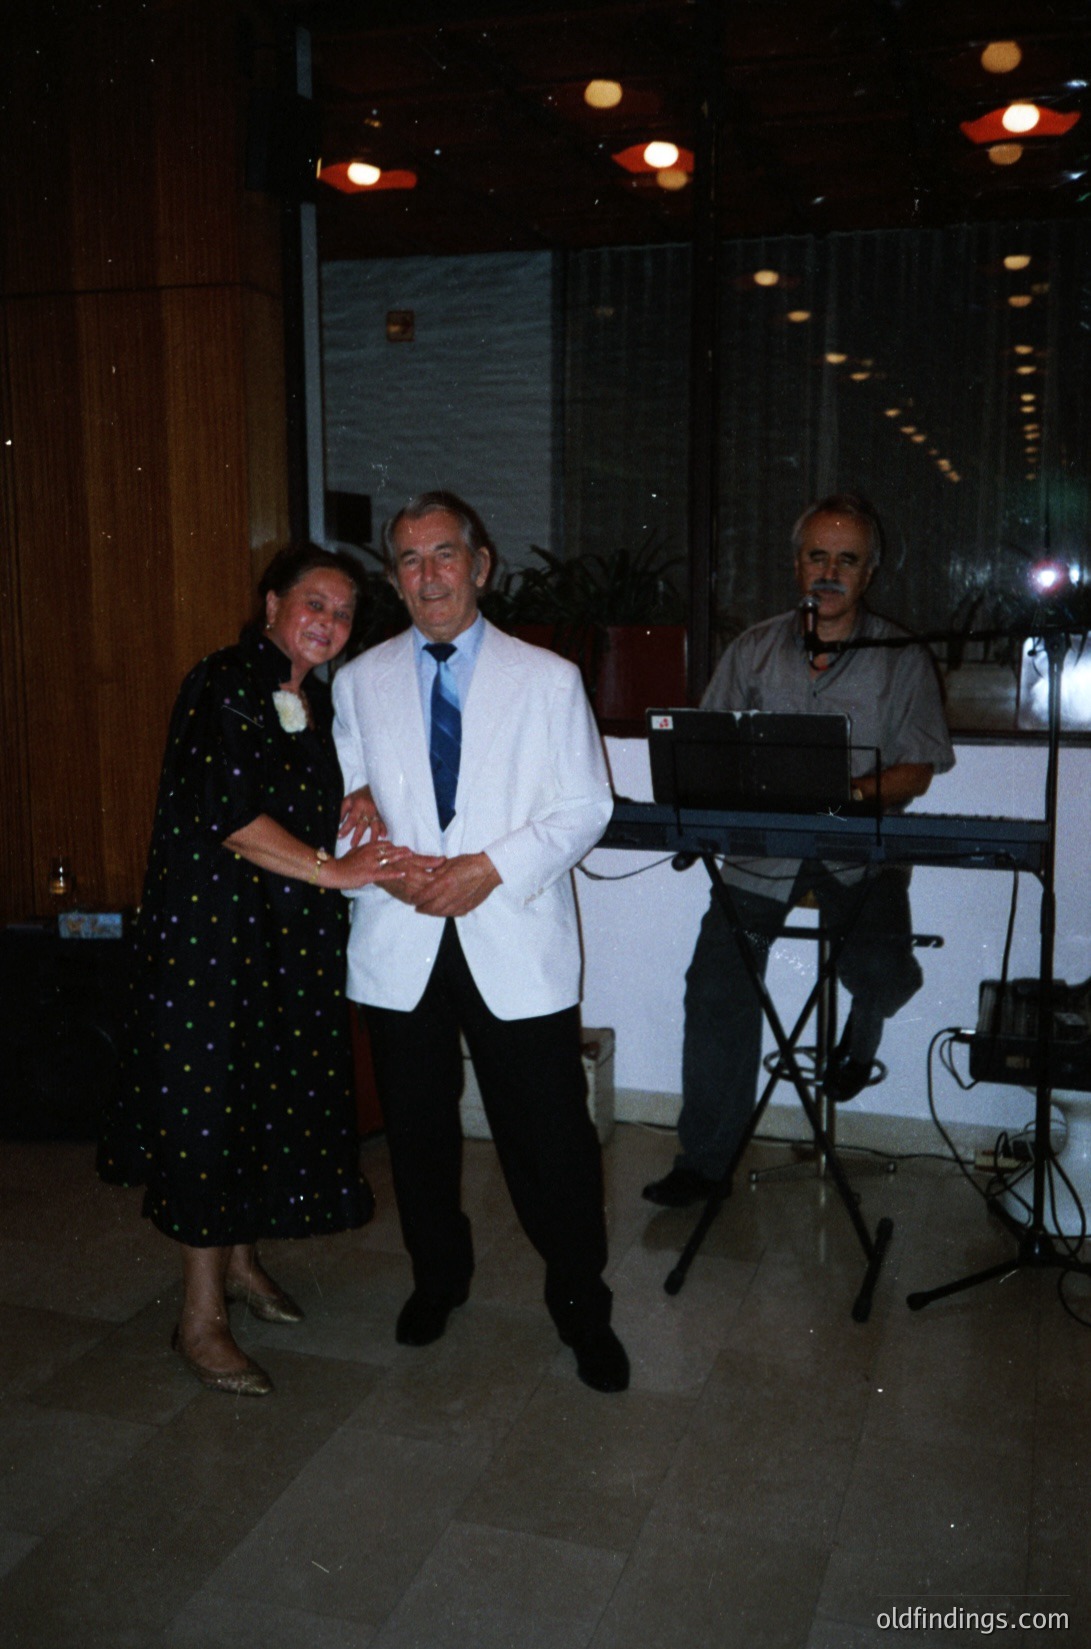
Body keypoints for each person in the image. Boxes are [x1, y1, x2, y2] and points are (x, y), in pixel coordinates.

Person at [98, 545, 416, 1395]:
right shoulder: (226, 681)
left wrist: (358, 801)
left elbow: (297, 799)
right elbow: (234, 819)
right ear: (271, 603)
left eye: (343, 613)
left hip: (275, 940)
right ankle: (198, 1317)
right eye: (314, 602)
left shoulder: (301, 698)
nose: (329, 623)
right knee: (211, 1111)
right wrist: (338, 872)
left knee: (257, 1096)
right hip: (214, 940)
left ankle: (239, 1264)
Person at [332, 491, 630, 1393]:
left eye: (444, 554)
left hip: (513, 936)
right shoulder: (358, 679)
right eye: (409, 560)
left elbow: (585, 807)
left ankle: (582, 1307)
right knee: (418, 1136)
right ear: (394, 578)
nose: (428, 575)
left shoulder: (547, 679)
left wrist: (486, 868)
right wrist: (371, 844)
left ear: (481, 563)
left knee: (551, 1142)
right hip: (400, 935)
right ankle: (438, 1280)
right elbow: (347, 799)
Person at [644, 493, 956, 1208]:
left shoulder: (901, 655)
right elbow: (708, 743)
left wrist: (848, 794)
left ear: (868, 573)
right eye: (817, 555)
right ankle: (705, 1162)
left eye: (846, 559)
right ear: (796, 565)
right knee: (716, 983)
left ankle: (866, 1020)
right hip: (761, 851)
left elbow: (917, 768)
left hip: (857, 849)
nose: (829, 571)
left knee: (878, 967)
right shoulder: (752, 647)